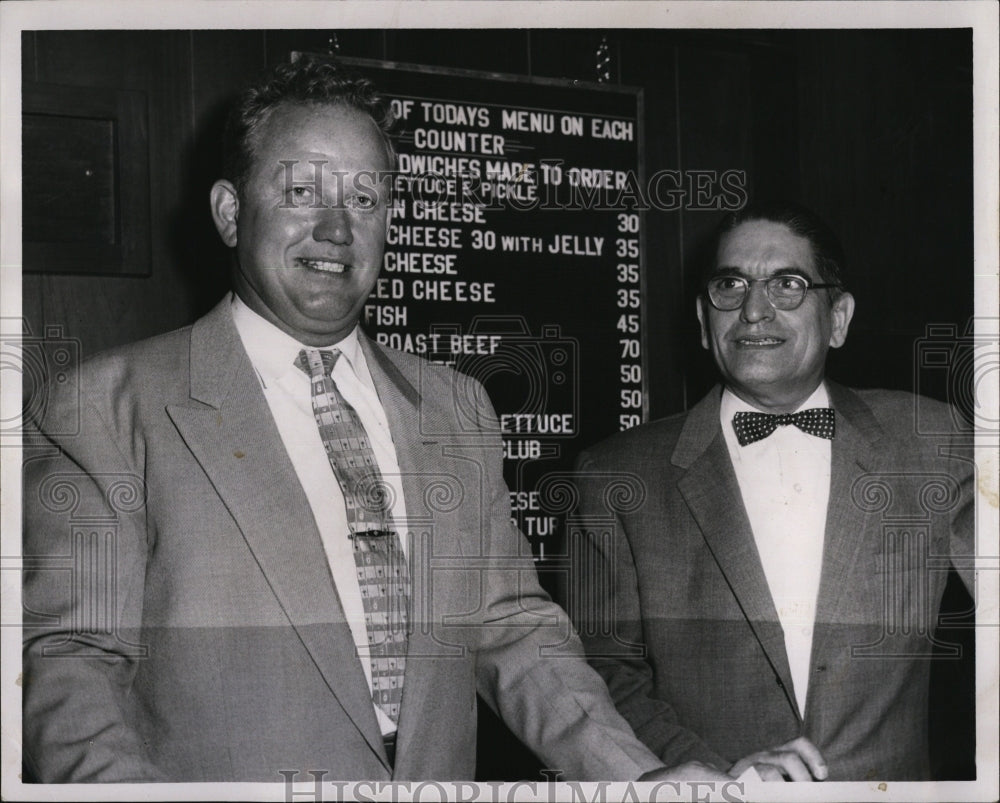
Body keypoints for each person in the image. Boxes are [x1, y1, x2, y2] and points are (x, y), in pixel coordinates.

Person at [21, 56, 731, 784]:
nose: (336, 228)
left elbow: (513, 629)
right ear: (231, 213)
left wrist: (638, 778)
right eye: (302, 191)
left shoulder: (457, 407)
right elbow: (71, 669)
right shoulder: (105, 409)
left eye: (365, 198)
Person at [572, 201, 975, 781]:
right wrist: (720, 776)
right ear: (704, 319)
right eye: (730, 285)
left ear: (837, 318)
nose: (754, 311)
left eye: (788, 285)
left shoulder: (932, 440)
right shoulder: (614, 477)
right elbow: (603, 675)